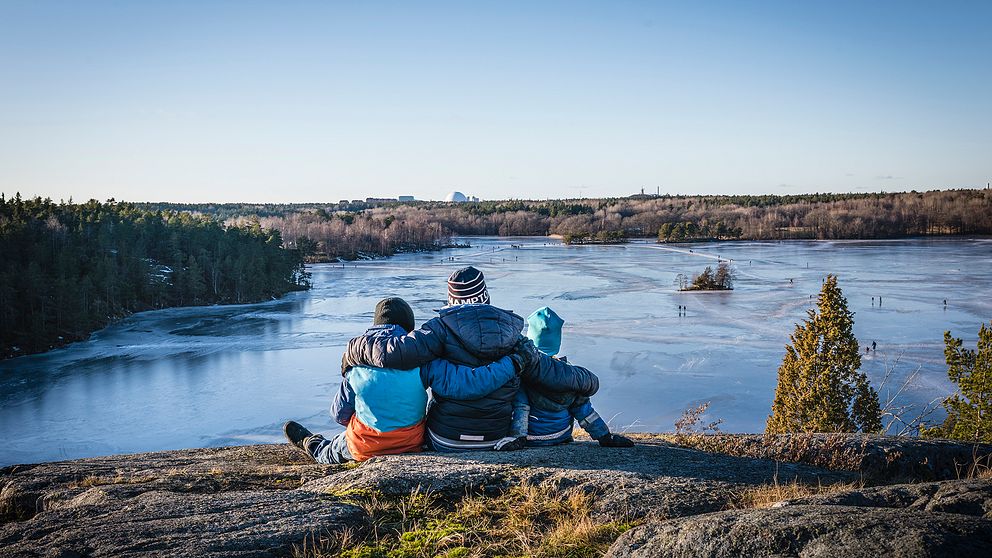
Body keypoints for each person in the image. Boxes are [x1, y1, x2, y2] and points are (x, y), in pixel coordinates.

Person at [341, 266, 601, 452]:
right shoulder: (513, 336)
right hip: (495, 436)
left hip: (445, 438)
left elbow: (393, 354)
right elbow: (555, 373)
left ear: (452, 299)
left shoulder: (438, 330)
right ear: (485, 296)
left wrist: (353, 351)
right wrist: (589, 381)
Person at [284, 297, 526, 463]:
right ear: (409, 329)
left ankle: (313, 445)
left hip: (366, 446)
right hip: (411, 442)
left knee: (335, 448)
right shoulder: (423, 362)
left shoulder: (355, 363)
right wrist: (512, 363)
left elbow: (339, 414)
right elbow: (467, 384)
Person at [511, 306, 634, 448]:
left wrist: (517, 438)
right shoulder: (571, 374)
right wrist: (605, 436)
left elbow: (521, 407)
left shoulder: (523, 371)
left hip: (532, 438)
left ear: (531, 338)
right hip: (561, 435)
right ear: (557, 341)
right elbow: (583, 410)